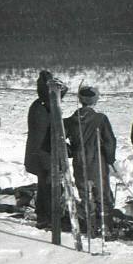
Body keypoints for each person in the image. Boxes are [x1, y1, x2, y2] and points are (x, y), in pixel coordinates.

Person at [64, 86, 117, 236]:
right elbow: (109, 142)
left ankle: (90, 228)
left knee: (85, 196)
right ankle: (105, 229)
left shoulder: (70, 120)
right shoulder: (100, 119)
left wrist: (71, 151)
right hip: (97, 163)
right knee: (102, 195)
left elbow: (60, 140)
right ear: (94, 101)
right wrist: (110, 158)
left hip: (80, 163)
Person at [23, 70, 66, 229]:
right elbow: (46, 136)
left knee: (44, 187)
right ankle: (48, 219)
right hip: (44, 155)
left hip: (41, 155)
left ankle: (44, 218)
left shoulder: (40, 104)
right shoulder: (44, 108)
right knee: (49, 188)